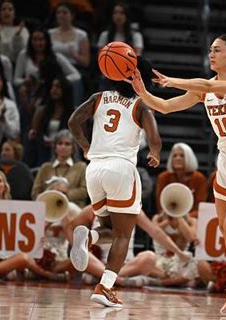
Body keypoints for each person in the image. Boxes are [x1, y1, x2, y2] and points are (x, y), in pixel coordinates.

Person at [128, 34, 226, 320]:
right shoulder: (203, 89)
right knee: (225, 228)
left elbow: (208, 85)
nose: (211, 54)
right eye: (210, 50)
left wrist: (171, 81)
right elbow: (166, 107)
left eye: (217, 50)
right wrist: (142, 91)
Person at [68, 69, 161, 307]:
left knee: (106, 228)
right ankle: (105, 287)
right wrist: (155, 153)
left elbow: (73, 122)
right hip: (121, 169)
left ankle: (89, 236)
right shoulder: (140, 104)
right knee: (123, 235)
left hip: (94, 169)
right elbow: (155, 137)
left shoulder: (98, 97)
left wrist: (85, 146)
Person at [0, 170, 65, 281]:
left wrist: (38, 240)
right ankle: (47, 275)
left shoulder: (18, 209)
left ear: (5, 187)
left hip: (10, 257)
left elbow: (25, 238)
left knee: (22, 259)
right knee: (20, 264)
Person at [31, 129, 87, 207]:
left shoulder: (81, 167)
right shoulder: (45, 168)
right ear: (55, 147)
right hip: (48, 207)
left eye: (67, 144)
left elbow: (85, 191)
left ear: (73, 148)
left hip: (73, 207)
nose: (63, 147)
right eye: (60, 143)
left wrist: (66, 192)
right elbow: (35, 193)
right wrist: (51, 191)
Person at [155, 142, 207, 217]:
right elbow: (161, 205)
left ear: (189, 158)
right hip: (167, 217)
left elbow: (200, 207)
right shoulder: (163, 177)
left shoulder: (199, 178)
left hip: (191, 219)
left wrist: (184, 218)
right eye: (174, 156)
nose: (178, 158)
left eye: (182, 156)